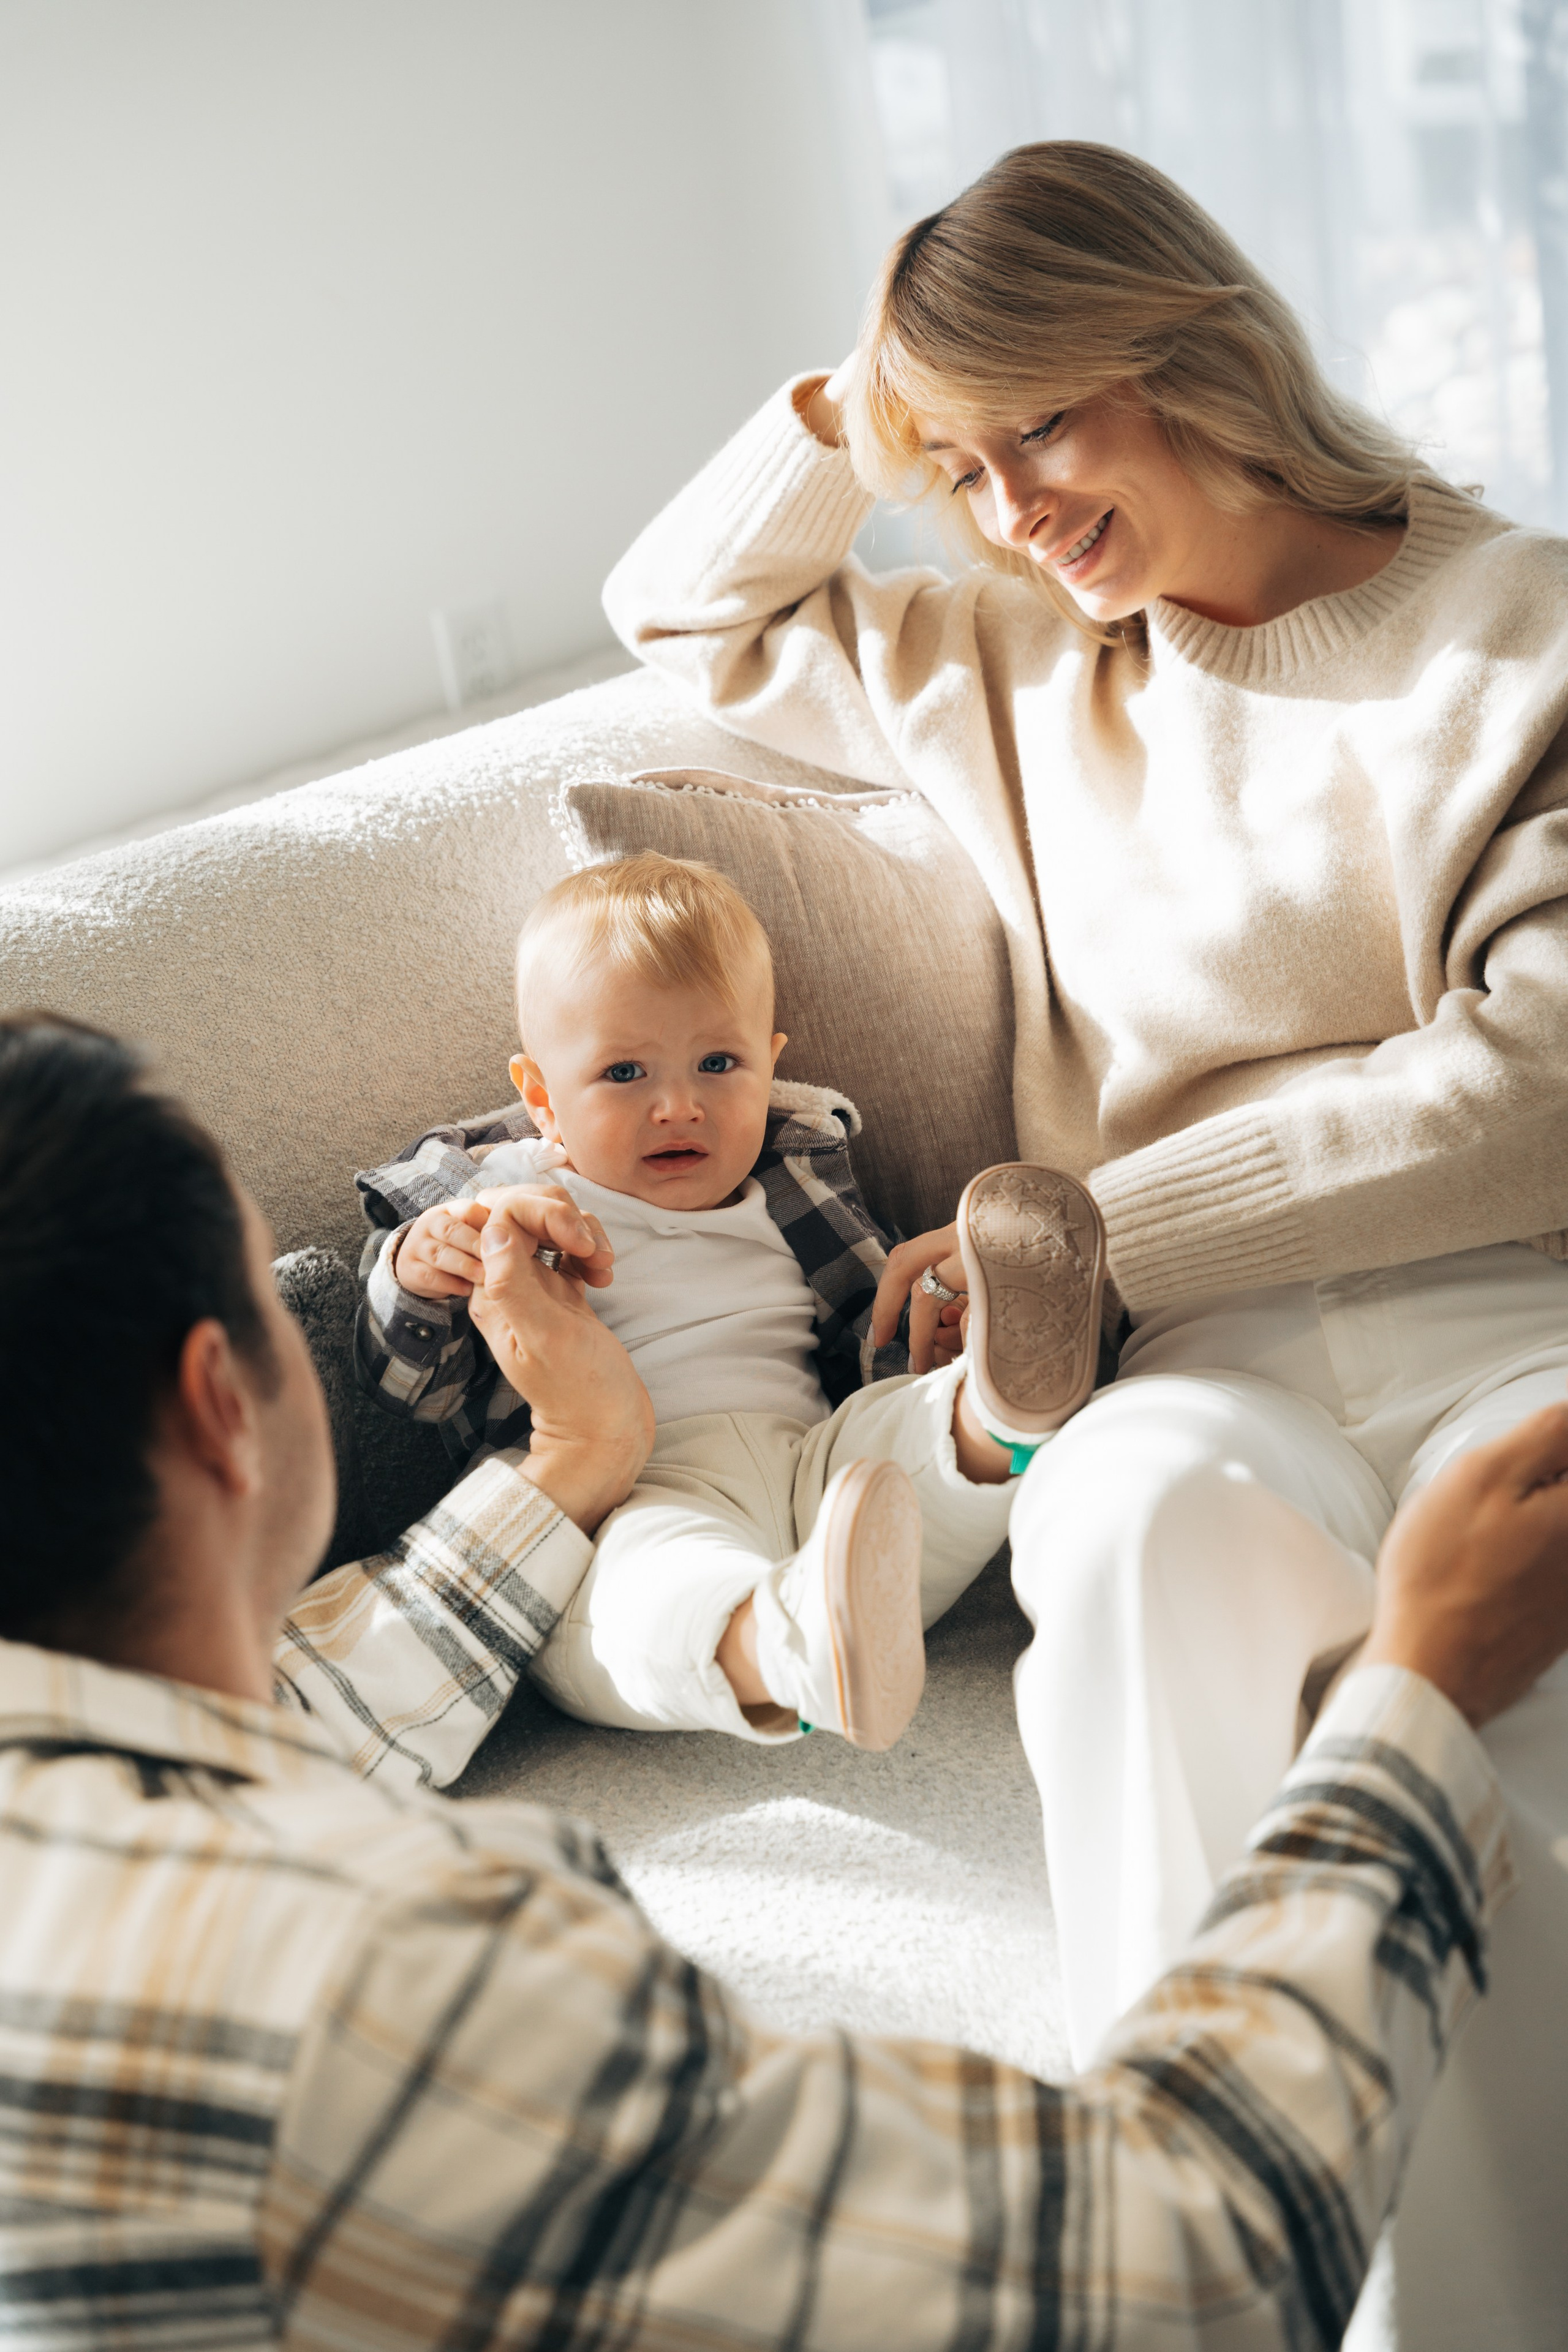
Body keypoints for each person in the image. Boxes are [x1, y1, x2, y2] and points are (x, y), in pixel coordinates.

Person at [601, 141, 1568, 2344]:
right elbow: (679, 611)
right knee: (1122, 1533)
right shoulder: (1006, 663)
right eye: (969, 462)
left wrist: (1093, 1226)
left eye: (1042, 421)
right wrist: (871, 407)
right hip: (1190, 1355)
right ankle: (1172, 2286)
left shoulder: (1527, 631)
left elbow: (1541, 1089)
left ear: (1190, 349)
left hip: (1502, 1303)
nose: (1013, 506)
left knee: (1505, 1743)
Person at [2, 1008, 1565, 2348]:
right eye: (272, 1312)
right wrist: (1408, 1699)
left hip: (795, 1458)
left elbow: (342, 1696)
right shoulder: (403, 1975)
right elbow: (1165, 2276)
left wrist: (577, 1454)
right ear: (226, 1408)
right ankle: (789, 1633)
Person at [351, 850, 1101, 1751]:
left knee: (910, 1427)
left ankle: (999, 1412)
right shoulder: (501, 1201)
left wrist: (937, 1337)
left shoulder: (793, 1182)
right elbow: (411, 1387)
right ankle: (785, 1647)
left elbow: (871, 1337)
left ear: (770, 1064)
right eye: (625, 1074)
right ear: (542, 1099)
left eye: (718, 1063)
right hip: (637, 1491)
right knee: (643, 1590)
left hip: (820, 1460)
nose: (678, 1106)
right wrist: (416, 1269)